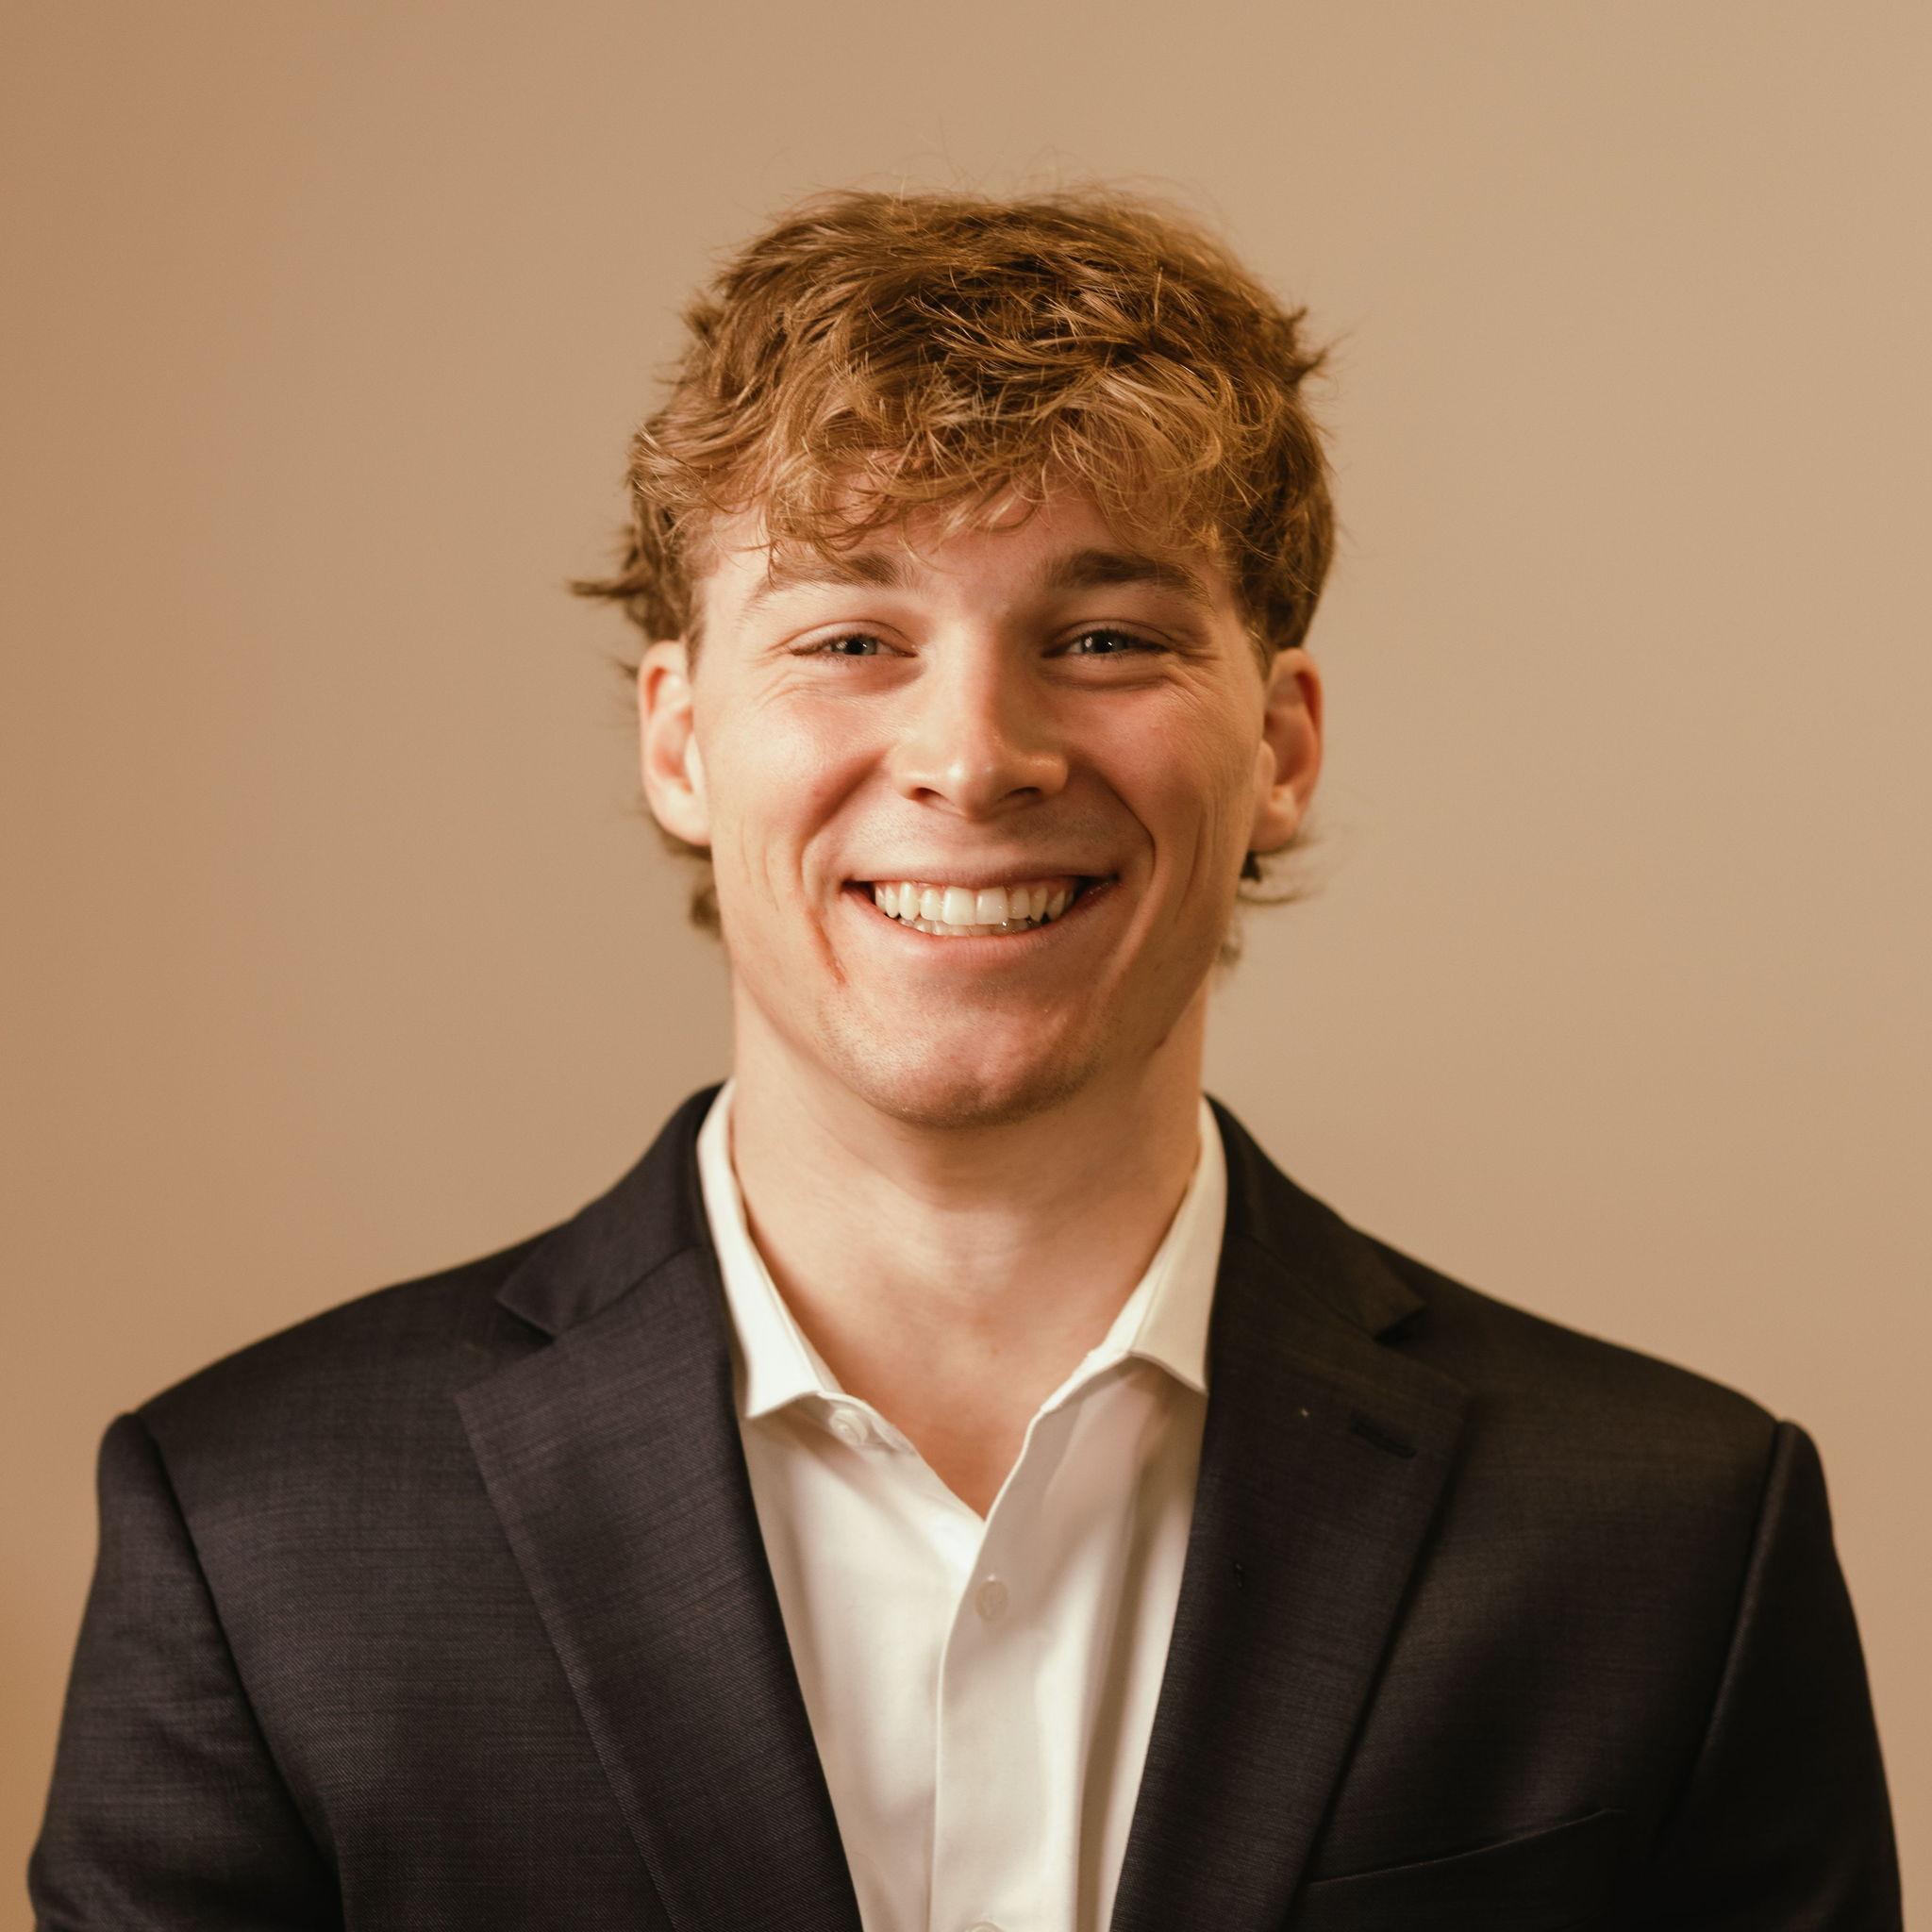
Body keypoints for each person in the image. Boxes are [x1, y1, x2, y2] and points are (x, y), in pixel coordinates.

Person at [31, 188, 1899, 1932]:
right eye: (852, 634)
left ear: (1282, 746)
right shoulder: (254, 1535)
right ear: (679, 742)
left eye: (1103, 636)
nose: (975, 755)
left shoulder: (1670, 1542)